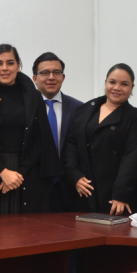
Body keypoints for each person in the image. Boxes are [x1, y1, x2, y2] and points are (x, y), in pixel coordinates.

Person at [0, 44, 59, 215]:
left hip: (27, 173)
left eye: (10, 63)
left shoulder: (34, 97)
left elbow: (41, 140)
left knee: (28, 231)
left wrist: (19, 174)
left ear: (18, 65)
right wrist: (2, 171)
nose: (4, 68)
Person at [62, 64, 137, 215]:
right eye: (112, 82)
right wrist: (75, 176)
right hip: (84, 190)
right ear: (105, 82)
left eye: (124, 84)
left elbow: (131, 159)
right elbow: (71, 145)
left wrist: (121, 194)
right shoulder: (86, 109)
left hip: (114, 196)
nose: (117, 87)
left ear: (132, 88)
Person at [32, 52, 83, 212]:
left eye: (57, 72)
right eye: (45, 73)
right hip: (34, 185)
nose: (51, 77)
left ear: (63, 77)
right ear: (35, 78)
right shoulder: (26, 109)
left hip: (69, 186)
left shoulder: (79, 108)